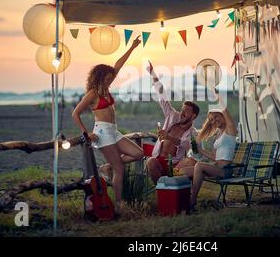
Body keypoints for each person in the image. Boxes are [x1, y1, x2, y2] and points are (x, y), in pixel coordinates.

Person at [72, 35, 144, 213]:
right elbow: (75, 113)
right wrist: (86, 133)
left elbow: (118, 65)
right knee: (119, 169)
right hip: (102, 134)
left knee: (139, 153)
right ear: (100, 77)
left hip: (114, 131)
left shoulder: (106, 88)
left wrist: (132, 47)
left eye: (111, 78)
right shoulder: (92, 94)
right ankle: (119, 205)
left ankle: (107, 167)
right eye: (107, 78)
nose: (110, 80)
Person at [145, 62, 200, 184]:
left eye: (186, 111)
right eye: (182, 109)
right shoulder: (172, 115)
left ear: (193, 115)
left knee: (192, 162)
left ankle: (173, 188)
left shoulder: (193, 133)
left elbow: (186, 145)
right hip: (159, 160)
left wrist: (168, 136)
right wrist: (152, 73)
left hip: (176, 164)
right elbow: (162, 96)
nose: (182, 112)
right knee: (150, 162)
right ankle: (162, 189)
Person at [188, 90, 237, 210]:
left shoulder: (230, 129)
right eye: (211, 120)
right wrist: (200, 150)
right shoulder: (219, 134)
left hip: (226, 170)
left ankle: (192, 201)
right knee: (186, 171)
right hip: (216, 167)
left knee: (199, 166)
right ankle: (182, 197)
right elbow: (215, 157)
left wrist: (218, 96)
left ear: (222, 115)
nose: (214, 121)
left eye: (216, 117)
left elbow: (225, 109)